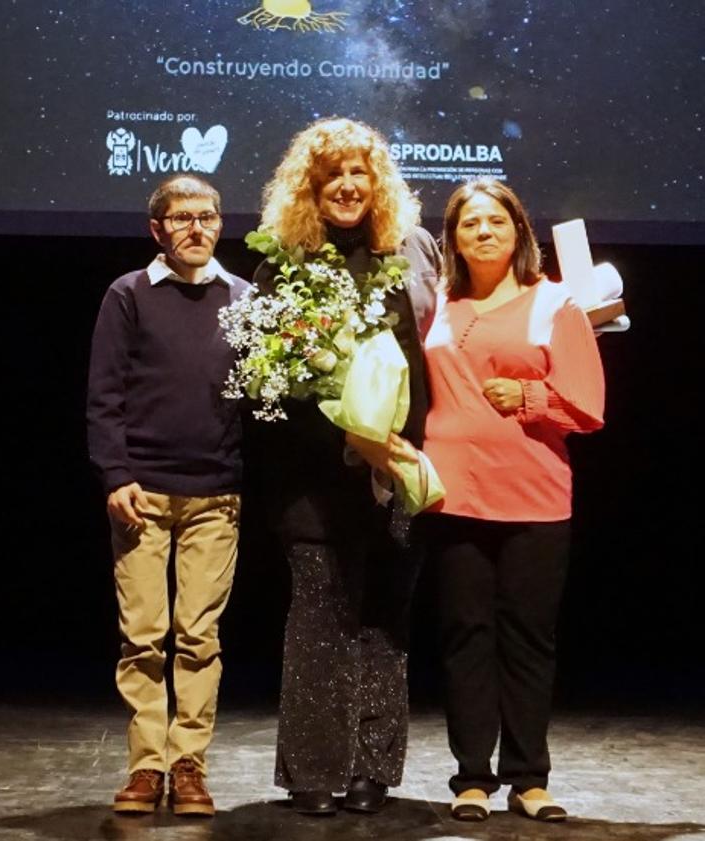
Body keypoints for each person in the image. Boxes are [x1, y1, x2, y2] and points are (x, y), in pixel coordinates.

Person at [252, 117, 441, 815]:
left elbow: (414, 374)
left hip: (387, 476)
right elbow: (268, 385)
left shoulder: (394, 262)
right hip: (311, 482)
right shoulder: (281, 267)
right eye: (332, 176)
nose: (348, 187)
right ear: (310, 188)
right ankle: (311, 770)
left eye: (359, 174)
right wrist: (340, 441)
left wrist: (396, 451)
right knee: (317, 625)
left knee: (383, 625)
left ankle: (370, 769)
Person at [421, 178, 605, 823]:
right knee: (463, 637)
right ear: (453, 239)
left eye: (496, 220)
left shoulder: (553, 304)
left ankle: (529, 778)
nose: (483, 232)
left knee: (527, 640)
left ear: (519, 231)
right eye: (469, 223)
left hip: (533, 495)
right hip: (451, 495)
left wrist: (526, 399)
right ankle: (472, 778)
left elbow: (588, 407)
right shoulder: (437, 304)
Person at [87, 174, 249, 816]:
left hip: (216, 494)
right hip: (142, 493)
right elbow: (104, 395)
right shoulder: (128, 294)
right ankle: (146, 768)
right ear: (157, 229)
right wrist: (115, 474)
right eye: (181, 218)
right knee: (144, 637)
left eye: (207, 217)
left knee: (197, 637)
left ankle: (188, 767)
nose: (196, 228)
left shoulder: (243, 297)